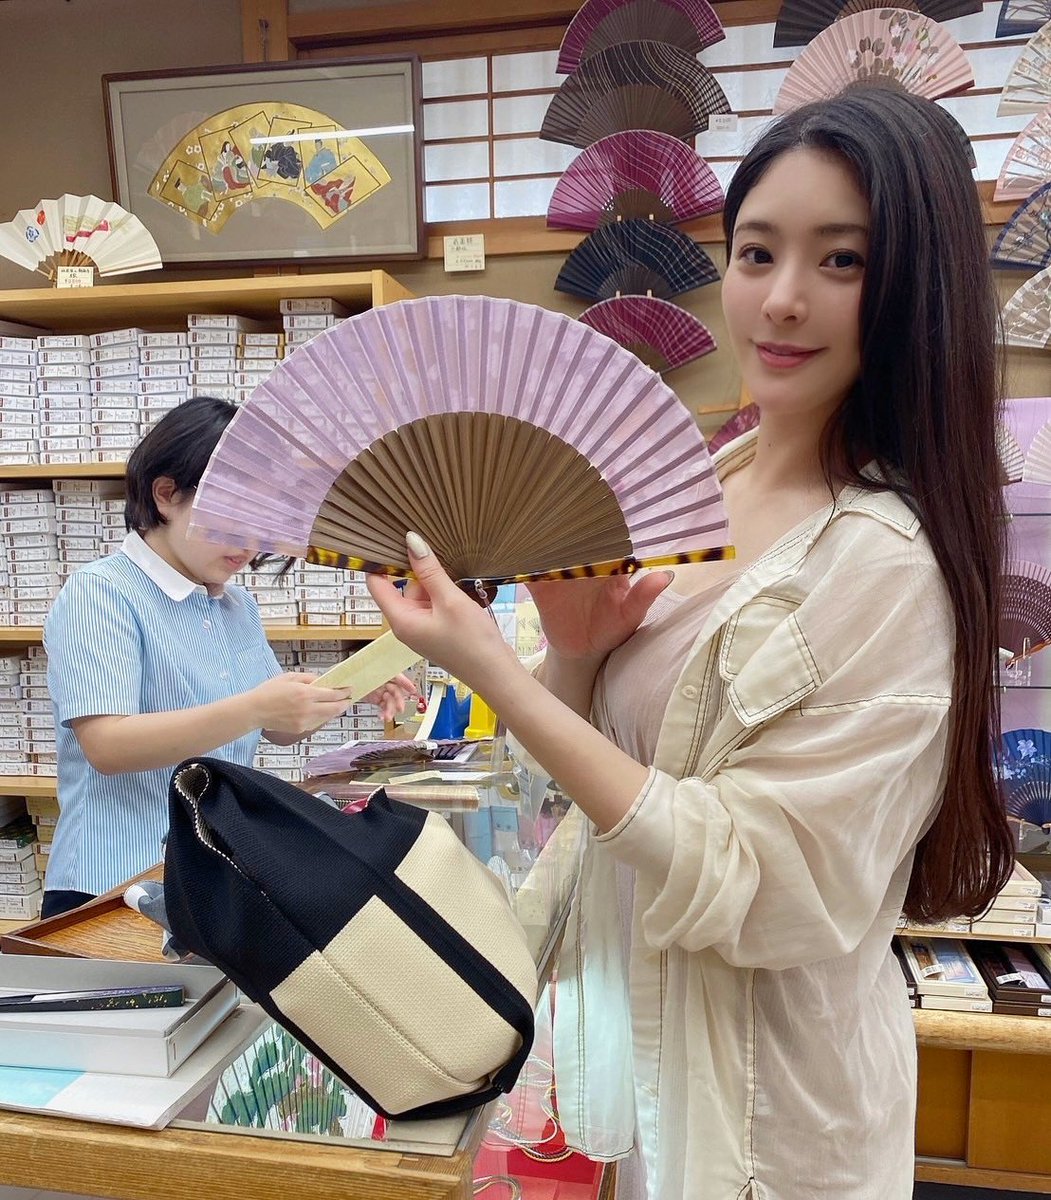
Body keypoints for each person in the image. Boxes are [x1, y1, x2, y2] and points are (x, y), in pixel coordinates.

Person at [367, 87, 1014, 1200]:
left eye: (842, 261)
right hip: (652, 1062)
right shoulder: (709, 484)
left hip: (769, 1116)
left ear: (918, 287)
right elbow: (579, 785)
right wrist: (572, 655)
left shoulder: (883, 561)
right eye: (756, 252)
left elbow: (760, 882)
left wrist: (494, 675)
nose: (783, 299)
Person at [43, 397, 415, 919]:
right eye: (235, 517)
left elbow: (277, 729)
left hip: (212, 874)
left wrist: (350, 685)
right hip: (112, 884)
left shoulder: (236, 604)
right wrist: (255, 708)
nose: (250, 544)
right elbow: (107, 745)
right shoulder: (101, 594)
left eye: (263, 523)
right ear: (167, 495)